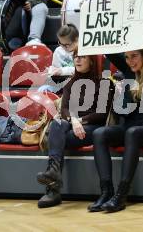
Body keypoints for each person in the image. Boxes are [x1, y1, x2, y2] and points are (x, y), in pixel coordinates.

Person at [89, 0, 143, 213]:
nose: (130, 61)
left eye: (134, 56)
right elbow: (104, 43)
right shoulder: (127, 74)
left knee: (132, 132)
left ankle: (121, 195)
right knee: (99, 134)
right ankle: (106, 191)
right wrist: (96, 18)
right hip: (130, 126)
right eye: (127, 57)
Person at [36, 50, 112, 208]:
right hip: (72, 125)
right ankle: (53, 173)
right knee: (57, 123)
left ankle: (53, 189)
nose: (77, 60)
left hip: (93, 128)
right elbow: (63, 110)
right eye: (75, 57)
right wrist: (74, 120)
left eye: (82, 56)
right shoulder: (71, 82)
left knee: (57, 137)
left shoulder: (104, 82)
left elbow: (101, 114)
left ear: (91, 60)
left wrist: (80, 121)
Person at [38, 24, 77, 93]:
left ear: (76, 40)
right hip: (60, 83)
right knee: (42, 90)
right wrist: (52, 71)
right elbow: (56, 69)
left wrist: (62, 71)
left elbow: (80, 70)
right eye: (60, 43)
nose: (63, 47)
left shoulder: (81, 52)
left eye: (67, 45)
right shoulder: (58, 51)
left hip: (77, 83)